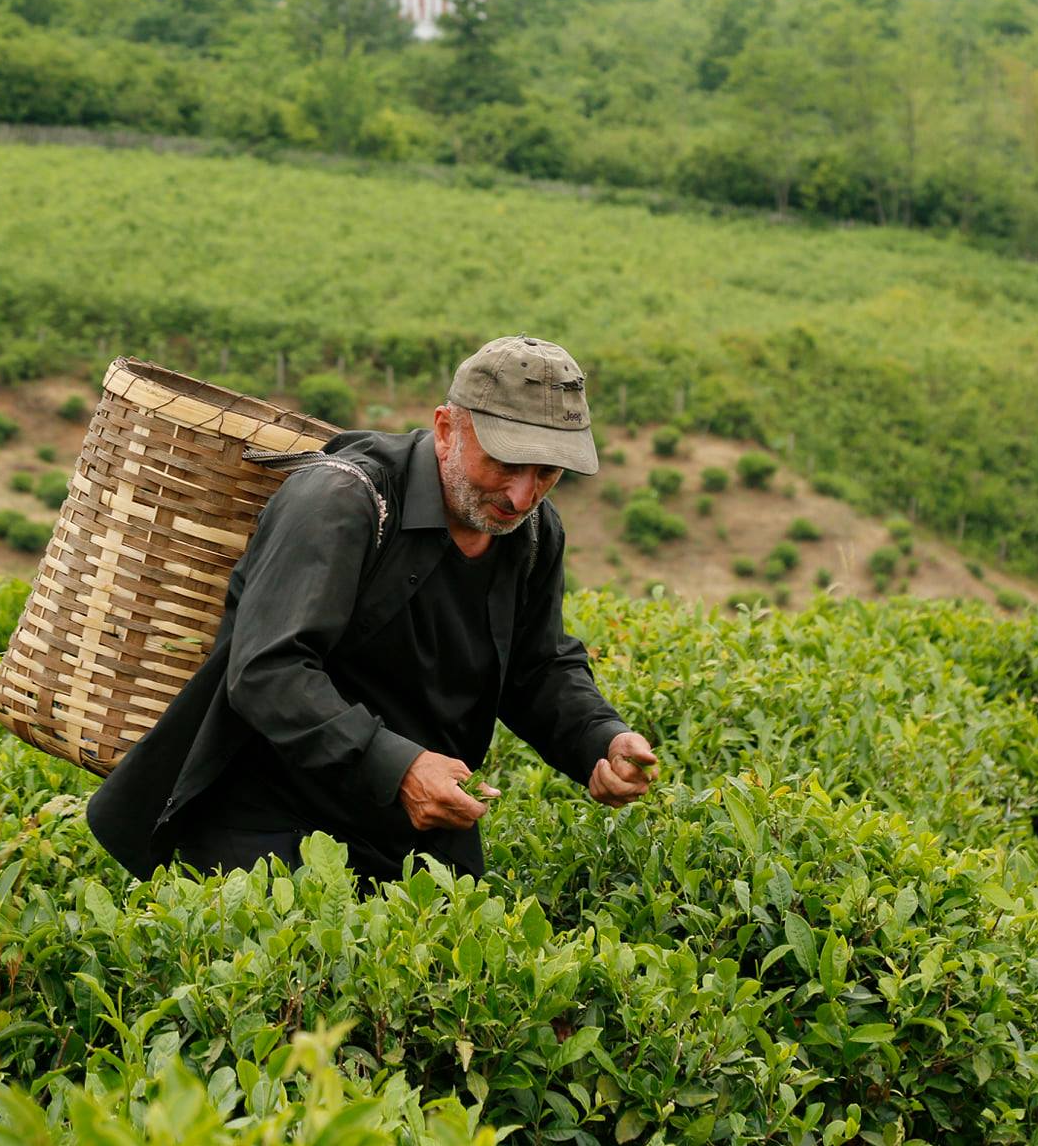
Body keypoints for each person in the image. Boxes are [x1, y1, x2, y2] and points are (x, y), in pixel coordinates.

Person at [87, 334, 658, 881]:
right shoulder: (340, 502)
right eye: (505, 463)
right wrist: (399, 767)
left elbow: (537, 666)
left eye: (547, 473)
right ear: (446, 430)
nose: (521, 495)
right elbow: (267, 671)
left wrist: (599, 738)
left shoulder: (533, 531)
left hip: (416, 832)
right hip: (269, 825)